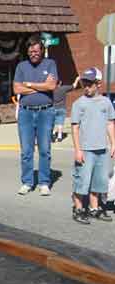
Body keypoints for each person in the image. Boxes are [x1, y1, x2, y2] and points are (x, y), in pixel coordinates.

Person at [13, 34, 58, 196]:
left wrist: (30, 85)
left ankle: (44, 182)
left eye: (36, 51)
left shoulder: (51, 63)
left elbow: (51, 86)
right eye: (31, 51)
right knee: (26, 151)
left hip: (45, 112)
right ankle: (27, 182)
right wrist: (42, 86)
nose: (33, 54)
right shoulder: (21, 67)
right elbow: (17, 89)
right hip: (25, 113)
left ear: (42, 51)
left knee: (45, 149)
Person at [71, 67, 115, 224]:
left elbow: (110, 123)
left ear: (99, 84)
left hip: (101, 149)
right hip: (85, 150)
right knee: (81, 181)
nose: (86, 87)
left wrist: (113, 143)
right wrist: (78, 150)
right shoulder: (79, 104)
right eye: (85, 83)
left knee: (99, 181)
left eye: (90, 83)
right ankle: (78, 209)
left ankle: (94, 208)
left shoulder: (106, 102)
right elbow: (75, 128)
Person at [52, 76, 80, 142]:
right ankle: (59, 137)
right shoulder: (63, 88)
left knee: (52, 123)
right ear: (60, 83)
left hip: (53, 108)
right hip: (62, 108)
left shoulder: (51, 90)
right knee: (60, 123)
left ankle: (53, 134)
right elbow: (74, 86)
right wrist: (77, 79)